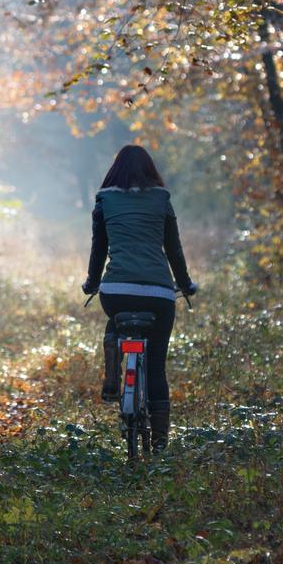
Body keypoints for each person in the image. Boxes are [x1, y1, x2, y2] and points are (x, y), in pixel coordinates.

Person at [81, 144, 197, 451]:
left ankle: (112, 366)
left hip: (116, 291)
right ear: (150, 171)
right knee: (156, 367)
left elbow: (99, 250)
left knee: (116, 319)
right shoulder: (161, 199)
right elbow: (174, 249)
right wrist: (185, 284)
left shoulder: (105, 200)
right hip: (159, 293)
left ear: (115, 171)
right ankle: (159, 445)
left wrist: (92, 283)